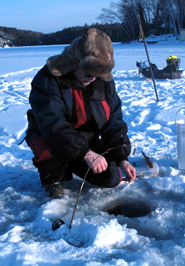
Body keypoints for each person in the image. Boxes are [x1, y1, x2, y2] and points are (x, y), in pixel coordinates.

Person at [26, 28, 136, 198]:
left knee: (111, 178)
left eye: (98, 75)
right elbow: (52, 124)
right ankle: (53, 173)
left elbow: (114, 121)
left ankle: (72, 162)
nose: (93, 79)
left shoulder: (103, 82)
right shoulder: (48, 80)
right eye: (88, 74)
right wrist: (86, 153)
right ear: (75, 63)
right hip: (51, 136)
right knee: (53, 173)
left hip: (85, 140)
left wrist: (122, 158)